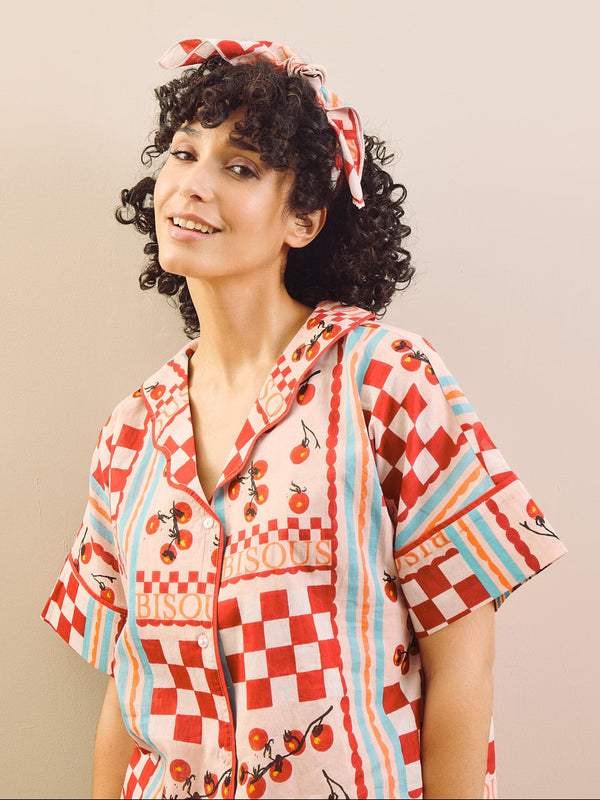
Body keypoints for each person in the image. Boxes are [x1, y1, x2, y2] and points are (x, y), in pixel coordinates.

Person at [41, 39, 566, 800]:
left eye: (241, 166)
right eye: (183, 153)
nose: (191, 184)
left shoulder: (385, 378)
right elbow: (125, 698)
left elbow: (464, 673)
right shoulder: (130, 432)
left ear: (305, 219)